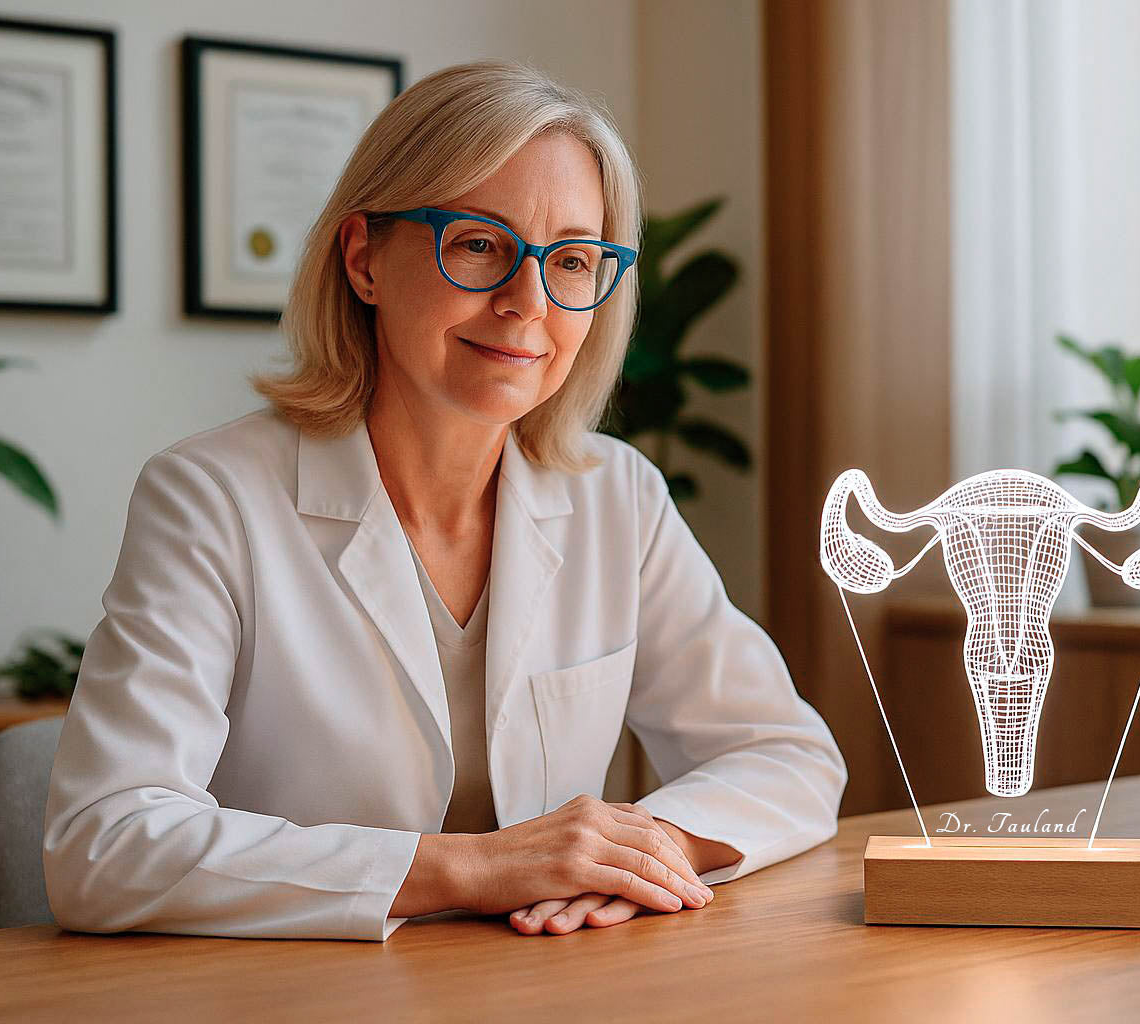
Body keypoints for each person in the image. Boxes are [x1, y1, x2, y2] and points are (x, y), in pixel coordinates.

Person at [42, 58, 847, 942]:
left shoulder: (621, 498)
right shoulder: (211, 498)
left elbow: (786, 754)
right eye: (477, 244)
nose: (526, 302)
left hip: (544, 990)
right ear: (364, 261)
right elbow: (102, 845)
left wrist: (643, 849)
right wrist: (471, 867)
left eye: (572, 260)